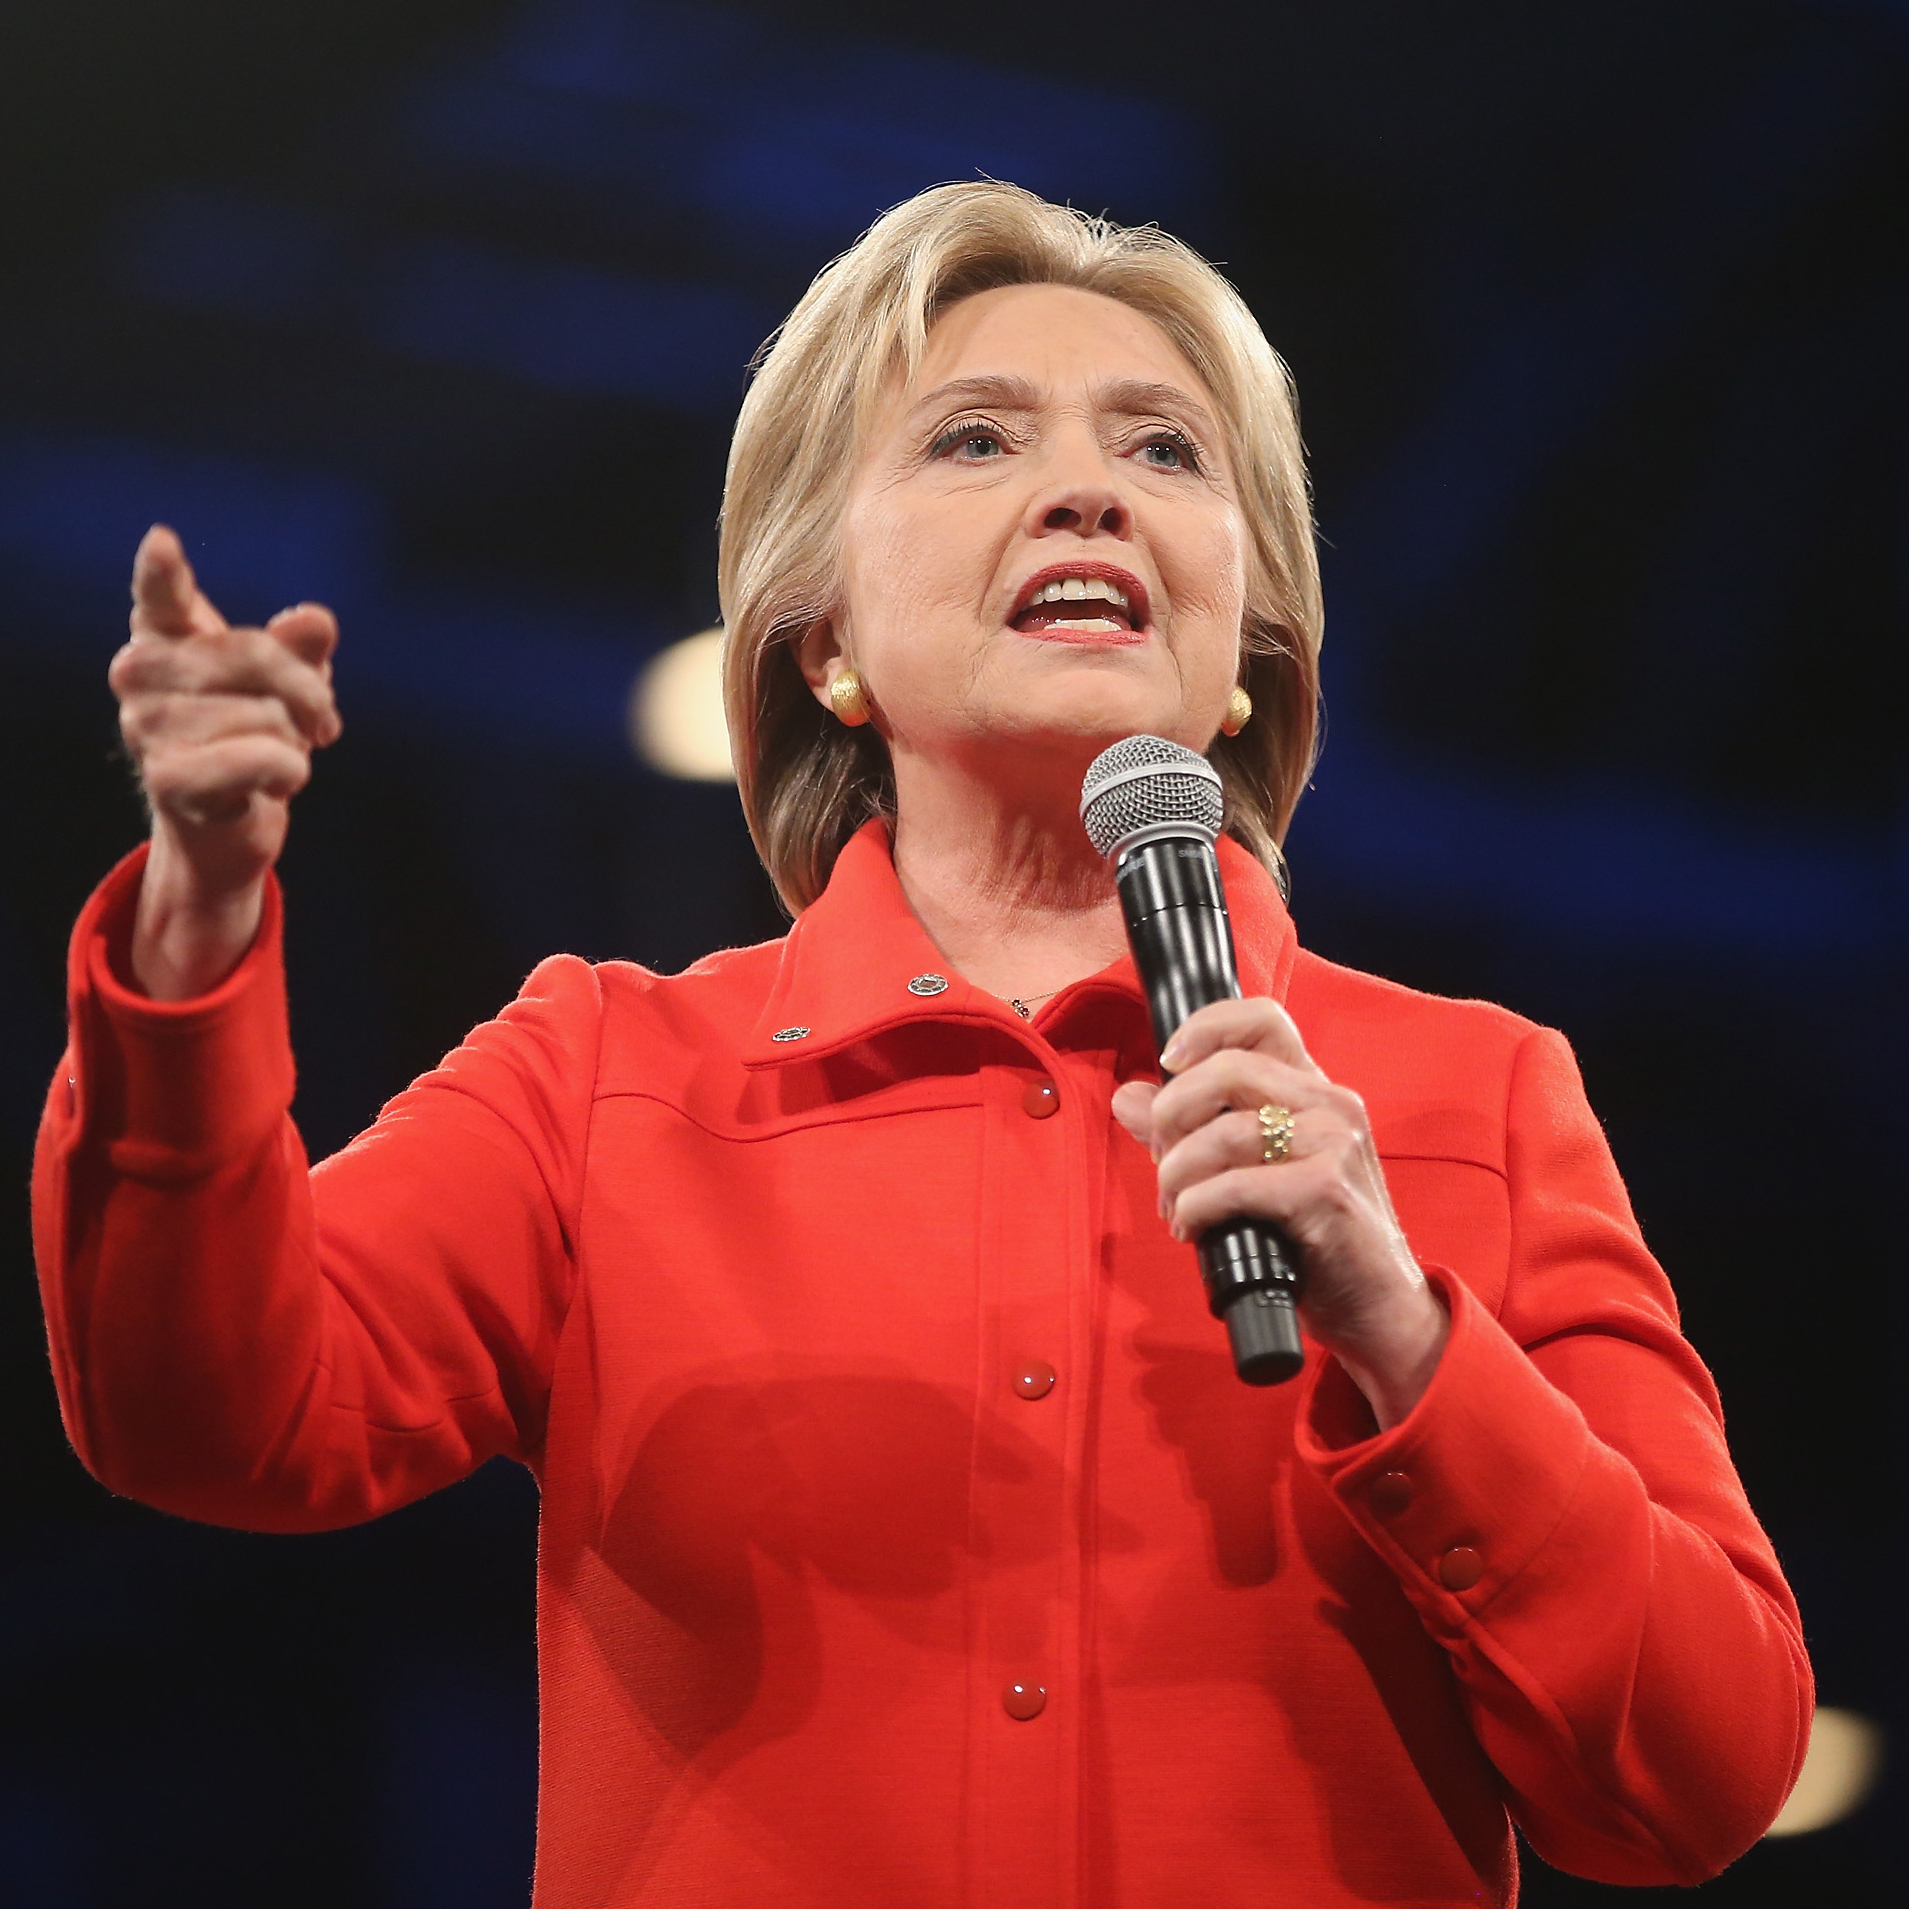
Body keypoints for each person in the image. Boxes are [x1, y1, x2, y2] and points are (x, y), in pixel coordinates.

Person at [33, 182, 1809, 1908]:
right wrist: (196, 933)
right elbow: (207, 1415)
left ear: (1249, 651)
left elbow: (1705, 1772)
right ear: (822, 648)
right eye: (976, 440)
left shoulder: (1472, 1101)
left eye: (1164, 450)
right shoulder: (605, 1080)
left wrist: (1408, 1338)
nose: (1089, 495)